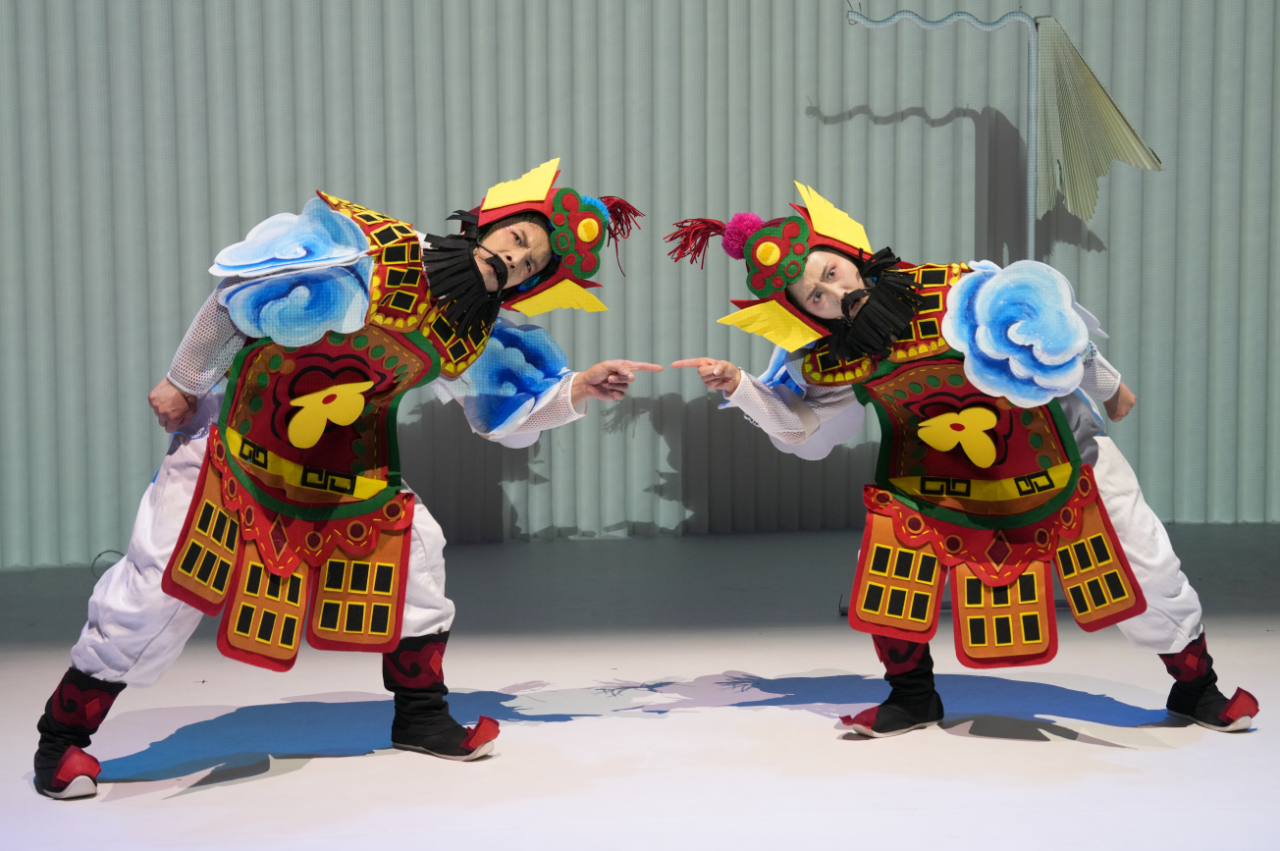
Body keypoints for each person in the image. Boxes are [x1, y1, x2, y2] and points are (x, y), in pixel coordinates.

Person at [34, 159, 662, 798]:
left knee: (418, 556)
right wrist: (184, 380)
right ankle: (59, 741)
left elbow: (503, 412)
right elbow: (241, 292)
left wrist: (580, 387)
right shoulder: (375, 247)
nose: (516, 259)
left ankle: (422, 718)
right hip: (234, 448)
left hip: (345, 471)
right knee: (157, 589)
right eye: (518, 239)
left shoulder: (472, 329)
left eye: (531, 264)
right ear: (489, 223)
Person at [667, 184, 1258, 739]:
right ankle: (912, 696)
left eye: (831, 272)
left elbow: (1052, 330)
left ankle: (1197, 689)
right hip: (938, 485)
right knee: (888, 585)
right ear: (805, 314)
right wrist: (741, 384)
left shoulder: (957, 289)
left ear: (849, 254)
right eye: (816, 296)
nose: (834, 292)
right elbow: (800, 429)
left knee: (1144, 565)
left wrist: (1109, 386)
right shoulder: (837, 359)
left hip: (1061, 456)